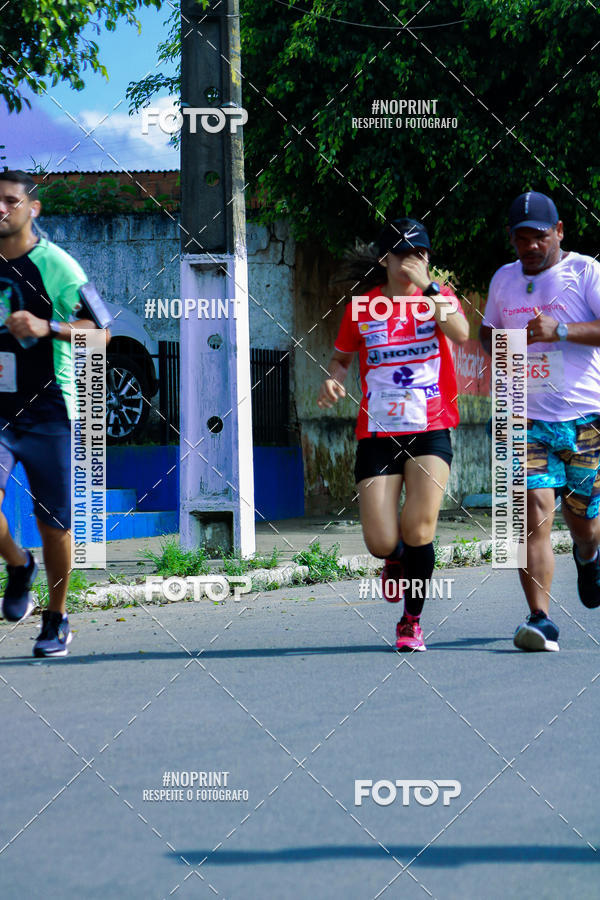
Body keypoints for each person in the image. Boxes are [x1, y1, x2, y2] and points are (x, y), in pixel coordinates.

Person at [317, 218, 469, 650]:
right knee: (381, 541)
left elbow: (460, 333)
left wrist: (433, 289)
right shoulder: (362, 308)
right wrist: (333, 380)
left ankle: (411, 621)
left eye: (421, 253)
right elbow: (341, 361)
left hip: (431, 428)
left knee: (419, 528)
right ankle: (395, 560)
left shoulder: (438, 298)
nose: (413, 261)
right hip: (378, 433)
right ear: (386, 259)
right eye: (404, 253)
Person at [480, 191, 600, 652]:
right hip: (523, 418)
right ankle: (540, 619)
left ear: (560, 233)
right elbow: (489, 331)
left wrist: (560, 330)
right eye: (521, 238)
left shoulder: (585, 271)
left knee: (583, 522)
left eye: (539, 237)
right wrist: (505, 348)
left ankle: (588, 557)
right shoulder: (503, 280)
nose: (530, 247)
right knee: (531, 518)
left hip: (585, 420)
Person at [0, 170, 109, 657]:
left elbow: (101, 333)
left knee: (54, 525)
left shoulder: (57, 266)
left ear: (32, 208)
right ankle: (18, 564)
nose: (1, 209)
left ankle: (57, 616)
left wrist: (48, 326)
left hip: (48, 410)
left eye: (9, 200)